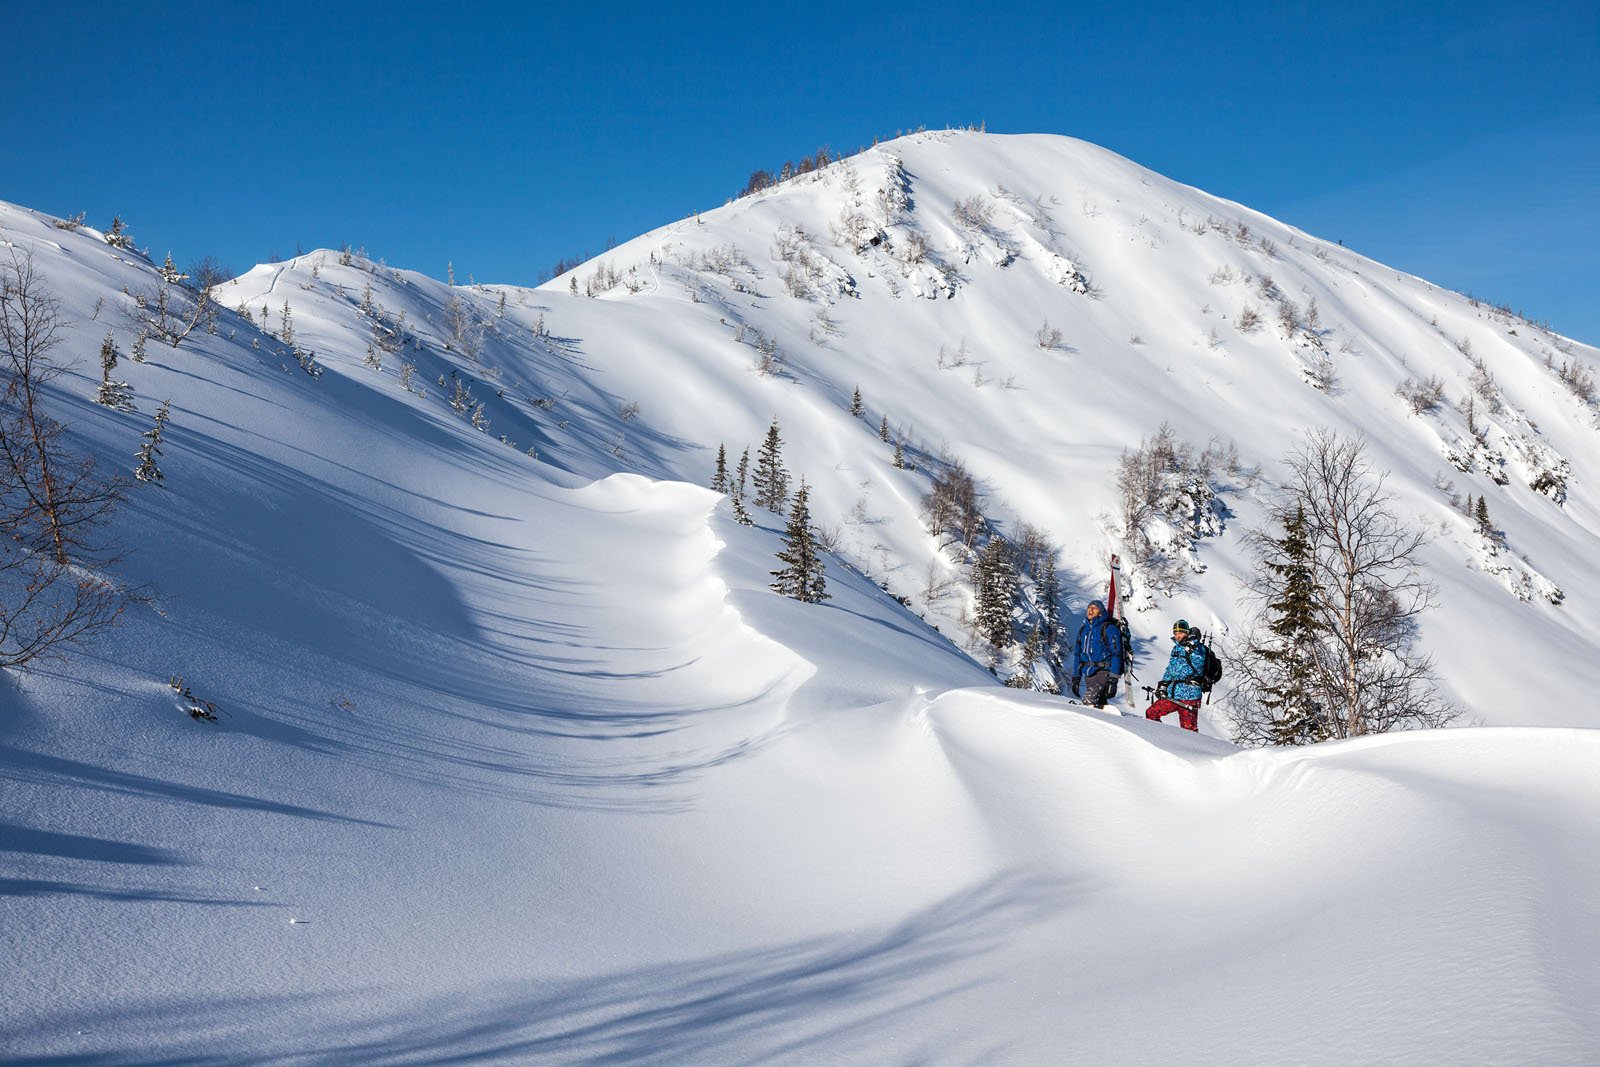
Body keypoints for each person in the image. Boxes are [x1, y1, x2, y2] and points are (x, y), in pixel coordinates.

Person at [1146, 619, 1205, 732]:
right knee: (1151, 713)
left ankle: (1192, 749)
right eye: (1176, 633)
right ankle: (1159, 739)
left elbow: (1199, 665)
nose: (1178, 636)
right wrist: (1163, 684)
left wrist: (1192, 649)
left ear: (1187, 633)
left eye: (1181, 633)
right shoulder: (1176, 648)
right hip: (1173, 694)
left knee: (1189, 731)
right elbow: (1171, 669)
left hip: (1190, 695)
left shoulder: (1197, 648)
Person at [1071, 600, 1123, 708]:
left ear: (1100, 612)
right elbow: (1077, 654)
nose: (1090, 610)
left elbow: (1116, 653)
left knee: (1089, 699)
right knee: (1098, 704)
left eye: (1094, 608)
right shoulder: (1083, 630)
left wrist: (1113, 678)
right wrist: (1076, 676)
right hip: (1088, 673)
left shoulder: (1109, 628)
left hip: (1104, 672)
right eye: (1089, 608)